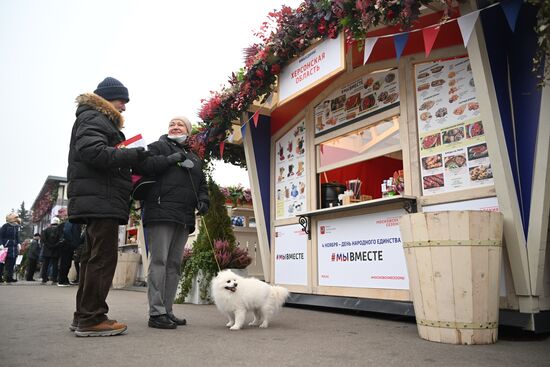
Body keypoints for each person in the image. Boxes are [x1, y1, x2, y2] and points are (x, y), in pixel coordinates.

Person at [67, 77, 151, 337]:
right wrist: (133, 154)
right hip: (100, 199)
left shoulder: (94, 118)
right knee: (102, 259)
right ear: (105, 99)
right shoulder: (94, 118)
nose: (124, 107)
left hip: (98, 198)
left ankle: (83, 315)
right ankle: (92, 319)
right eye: (120, 101)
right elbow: (94, 153)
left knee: (93, 258)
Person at [138, 116, 209, 329]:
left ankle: (167, 310)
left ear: (188, 131)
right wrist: (170, 159)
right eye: (172, 124)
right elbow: (143, 165)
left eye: (180, 125)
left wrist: (204, 200)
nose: (175, 127)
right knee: (159, 261)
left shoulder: (195, 158)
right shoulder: (158, 146)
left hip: (184, 215)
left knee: (174, 265)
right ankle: (156, 312)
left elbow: (201, 183)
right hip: (160, 212)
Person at [0, 213, 21, 283]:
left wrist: (18, 243)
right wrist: (1, 244)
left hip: (13, 248)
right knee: (2, 263)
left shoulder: (16, 227)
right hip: (5, 248)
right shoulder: (5, 226)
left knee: (11, 263)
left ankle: (9, 277)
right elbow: (0, 236)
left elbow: (17, 237)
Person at [41, 217, 62, 284]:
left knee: (45, 265)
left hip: (47, 250)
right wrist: (55, 245)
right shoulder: (60, 231)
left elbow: (43, 240)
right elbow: (61, 240)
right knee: (55, 265)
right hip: (56, 250)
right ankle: (54, 279)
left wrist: (49, 245)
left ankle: (44, 279)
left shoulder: (46, 230)